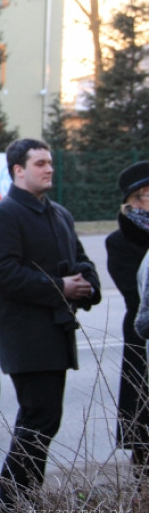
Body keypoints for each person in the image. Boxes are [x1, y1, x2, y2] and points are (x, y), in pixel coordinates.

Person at [0, 138, 100, 513]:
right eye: (41, 163)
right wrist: (60, 287)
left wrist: (87, 285)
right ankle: (12, 505)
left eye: (50, 162)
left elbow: (80, 261)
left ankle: (25, 501)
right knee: (37, 419)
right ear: (18, 170)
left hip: (56, 333)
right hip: (25, 337)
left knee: (44, 420)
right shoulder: (5, 214)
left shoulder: (58, 213)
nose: (50, 169)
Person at [106, 161, 149, 467]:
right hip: (142, 335)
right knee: (144, 426)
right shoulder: (119, 242)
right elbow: (135, 295)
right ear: (134, 200)